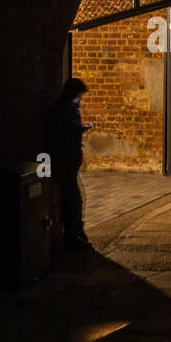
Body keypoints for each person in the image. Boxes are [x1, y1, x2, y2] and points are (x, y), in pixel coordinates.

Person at [43, 77, 94, 249]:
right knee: (73, 199)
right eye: (79, 95)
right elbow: (68, 130)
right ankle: (73, 236)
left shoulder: (62, 108)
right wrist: (82, 129)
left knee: (72, 198)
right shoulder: (65, 109)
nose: (80, 99)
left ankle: (75, 233)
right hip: (65, 161)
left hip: (65, 160)